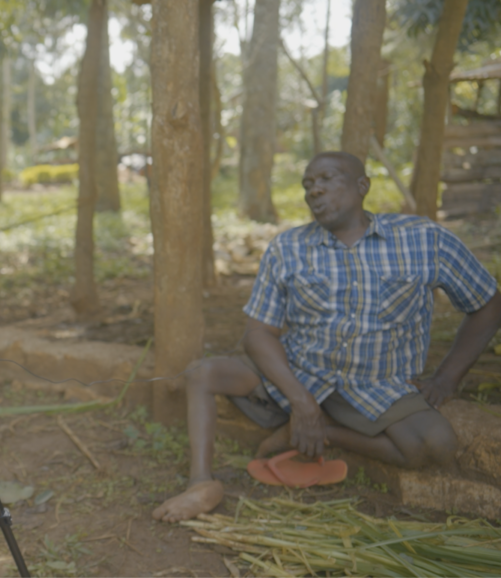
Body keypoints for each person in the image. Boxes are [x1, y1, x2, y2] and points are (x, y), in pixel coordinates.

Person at [152, 151, 501, 523]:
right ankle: (201, 483)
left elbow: (488, 302)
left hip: (376, 386)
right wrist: (302, 402)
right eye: (307, 184)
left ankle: (326, 435)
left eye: (326, 179)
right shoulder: (288, 248)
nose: (314, 191)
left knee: (436, 445)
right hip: (300, 373)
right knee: (202, 373)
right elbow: (258, 334)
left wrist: (446, 379)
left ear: (362, 186)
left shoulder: (424, 240)